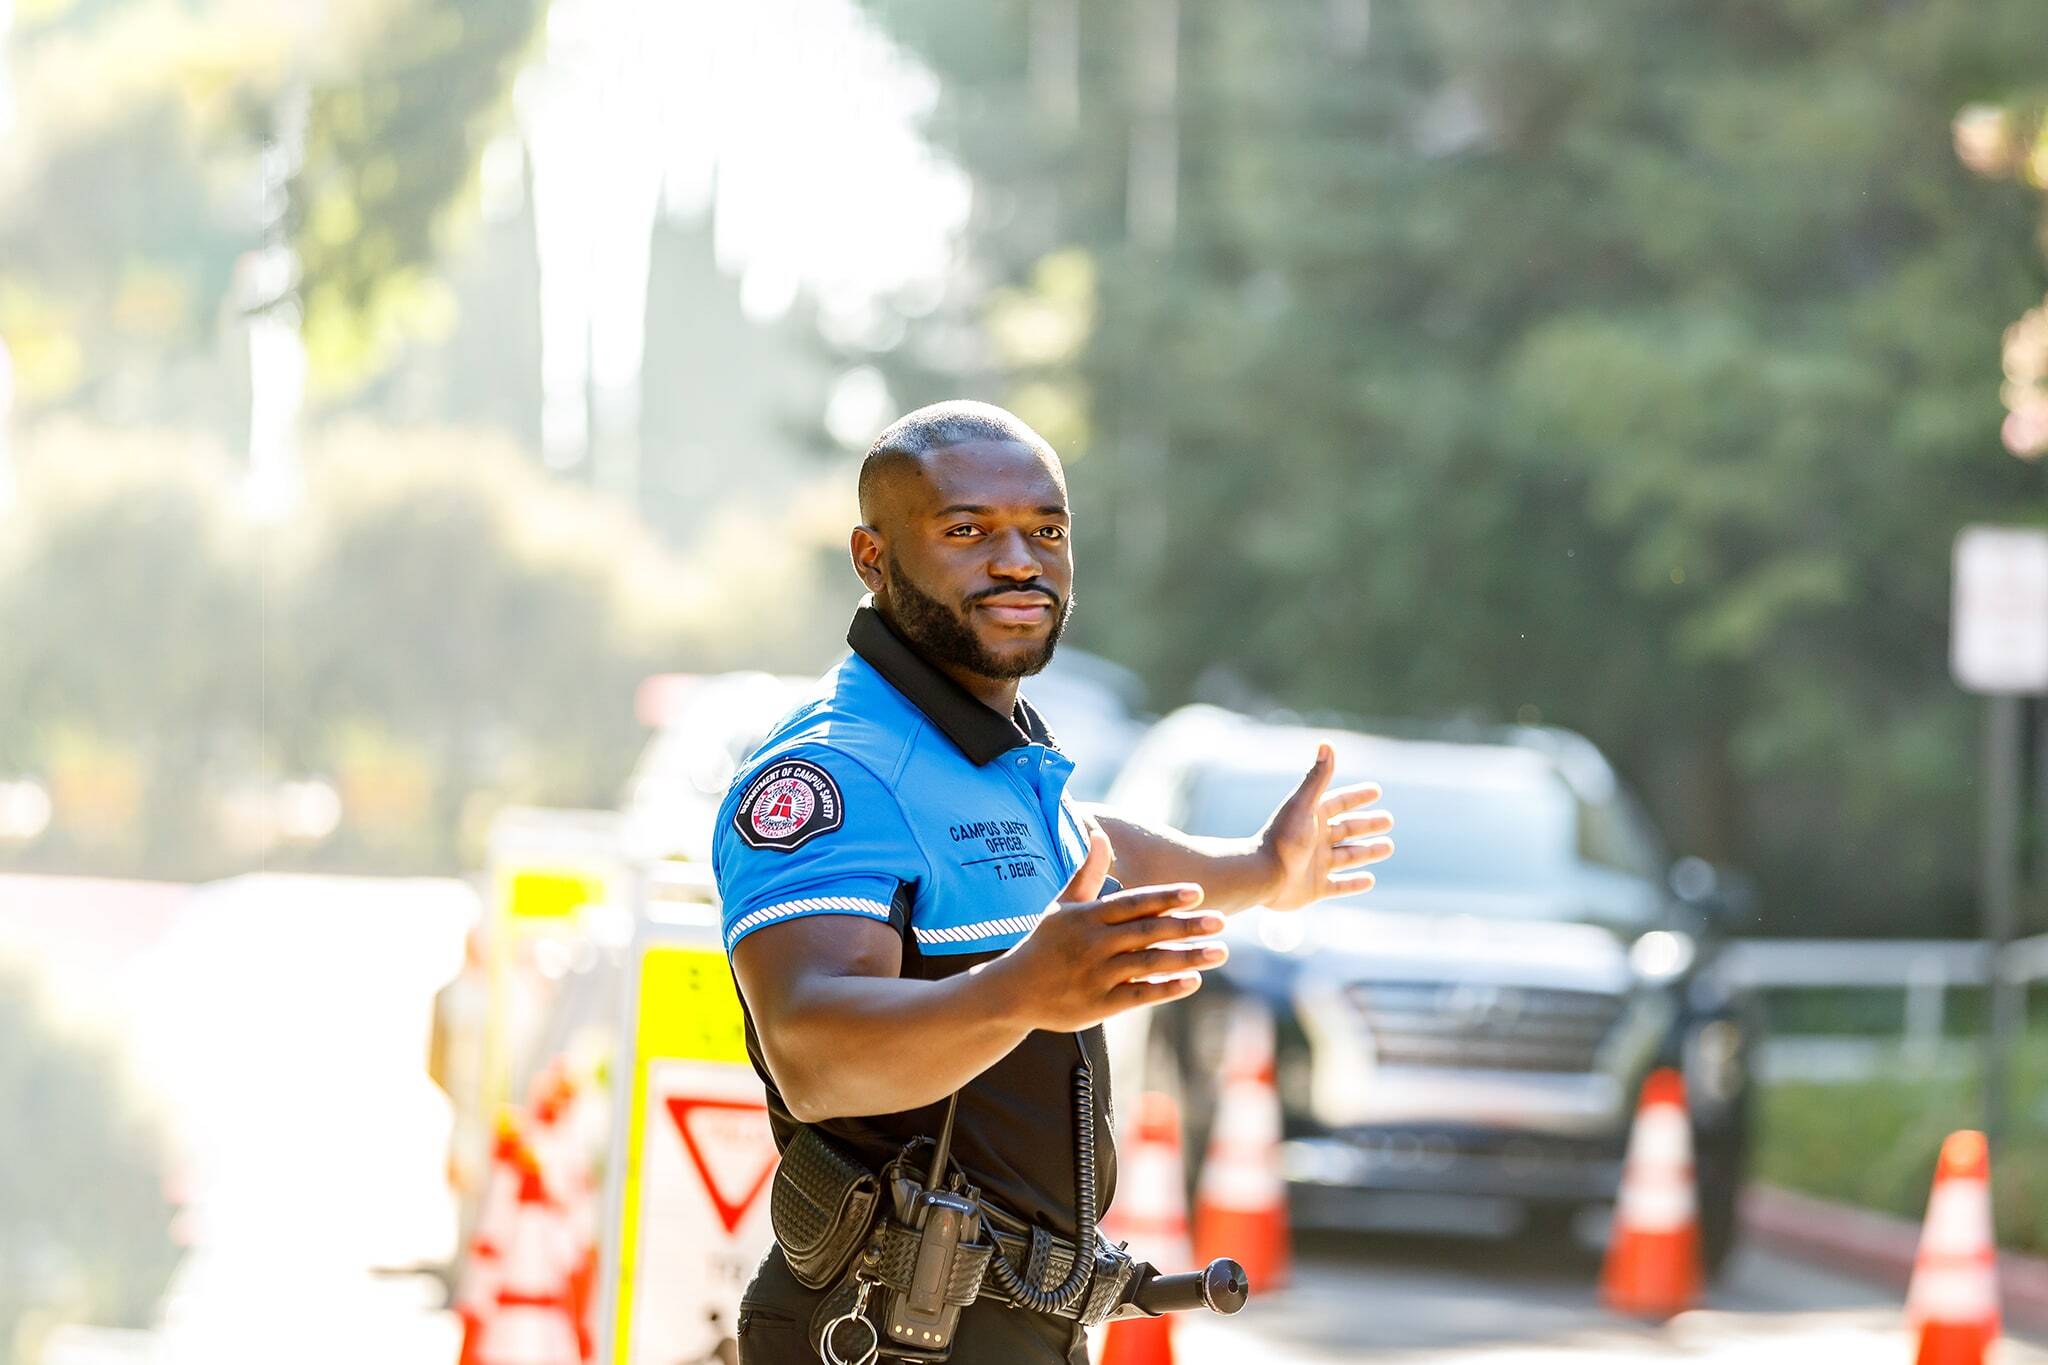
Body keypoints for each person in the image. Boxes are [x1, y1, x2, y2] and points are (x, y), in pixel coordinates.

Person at [714, 400, 1392, 1363]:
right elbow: (813, 1054)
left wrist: (1262, 872)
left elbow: (1088, 848)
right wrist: (1023, 989)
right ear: (872, 557)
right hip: (887, 1330)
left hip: (1017, 1324)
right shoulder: (832, 773)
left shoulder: (985, 752)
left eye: (1046, 530)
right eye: (966, 531)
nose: (1019, 561)